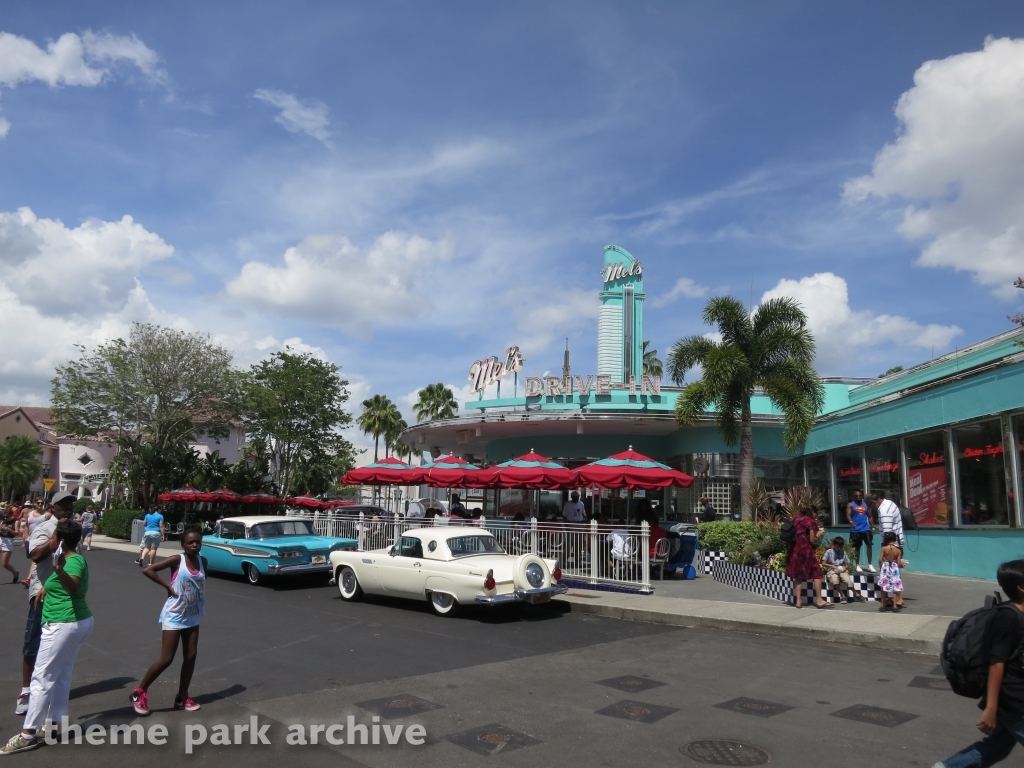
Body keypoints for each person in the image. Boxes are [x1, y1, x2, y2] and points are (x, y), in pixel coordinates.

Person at [0, 519, 93, 754]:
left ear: (59, 540)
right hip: (72, 622)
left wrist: (59, 572)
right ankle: (52, 724)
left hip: (64, 624)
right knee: (61, 675)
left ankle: (27, 734)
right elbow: (58, 583)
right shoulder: (63, 558)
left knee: (41, 679)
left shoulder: (72, 561)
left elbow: (72, 585)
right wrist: (45, 587)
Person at [932, 559, 1024, 768]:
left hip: (1014, 696)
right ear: (1021, 587)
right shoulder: (1008, 617)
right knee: (997, 746)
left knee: (996, 747)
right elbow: (996, 663)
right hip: (1014, 699)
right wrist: (991, 707)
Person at [131, 527, 206, 715]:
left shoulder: (203, 561)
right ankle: (139, 692)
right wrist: (167, 585)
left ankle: (182, 697)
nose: (195, 545)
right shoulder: (177, 560)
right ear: (183, 544)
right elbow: (149, 570)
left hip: (193, 614)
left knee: (191, 656)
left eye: (197, 541)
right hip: (174, 614)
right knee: (166, 659)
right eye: (190, 542)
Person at [15, 493, 73, 717]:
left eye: (70, 505)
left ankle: (48, 689)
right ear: (53, 506)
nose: (67, 508)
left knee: (57, 643)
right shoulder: (45, 528)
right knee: (33, 642)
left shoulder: (71, 529)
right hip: (42, 593)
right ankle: (26, 691)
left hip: (63, 594)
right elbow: (35, 555)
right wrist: (55, 540)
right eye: (63, 505)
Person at [786, 507, 832, 609]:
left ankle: (798, 601)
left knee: (798, 575)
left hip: (794, 550)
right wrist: (819, 534)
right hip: (805, 550)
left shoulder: (796, 519)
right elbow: (812, 540)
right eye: (816, 513)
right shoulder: (810, 522)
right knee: (817, 573)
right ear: (812, 513)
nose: (817, 515)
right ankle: (819, 600)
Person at [847, 490, 876, 573]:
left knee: (869, 545)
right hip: (856, 530)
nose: (858, 497)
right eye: (856, 496)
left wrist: (873, 527)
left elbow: (870, 516)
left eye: (860, 495)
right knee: (857, 547)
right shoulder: (851, 504)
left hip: (866, 529)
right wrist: (851, 522)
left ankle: (870, 565)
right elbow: (848, 515)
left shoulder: (866, 505)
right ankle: (857, 565)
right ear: (854, 496)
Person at [823, 536, 858, 603]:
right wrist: (832, 566)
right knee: (834, 580)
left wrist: (845, 568)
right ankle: (842, 595)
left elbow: (847, 563)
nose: (839, 548)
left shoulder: (843, 552)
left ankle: (856, 593)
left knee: (848, 581)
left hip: (842, 570)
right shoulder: (828, 552)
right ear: (834, 545)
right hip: (832, 570)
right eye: (837, 547)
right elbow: (823, 563)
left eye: (840, 547)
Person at [877, 531, 904, 611]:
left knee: (884, 587)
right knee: (895, 587)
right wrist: (901, 565)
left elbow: (880, 559)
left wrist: (881, 567)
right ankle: (895, 606)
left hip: (885, 567)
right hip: (894, 568)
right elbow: (899, 563)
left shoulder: (884, 548)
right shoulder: (898, 550)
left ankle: (882, 605)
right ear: (894, 539)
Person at [0, 506, 19, 584]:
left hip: (8, 542)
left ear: (11, 515)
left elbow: (17, 533)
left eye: (6, 517)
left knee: (4, 564)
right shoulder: (2, 522)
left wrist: (9, 529)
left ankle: (15, 573)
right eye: (3, 517)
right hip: (1, 540)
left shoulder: (15, 522)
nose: (5, 518)